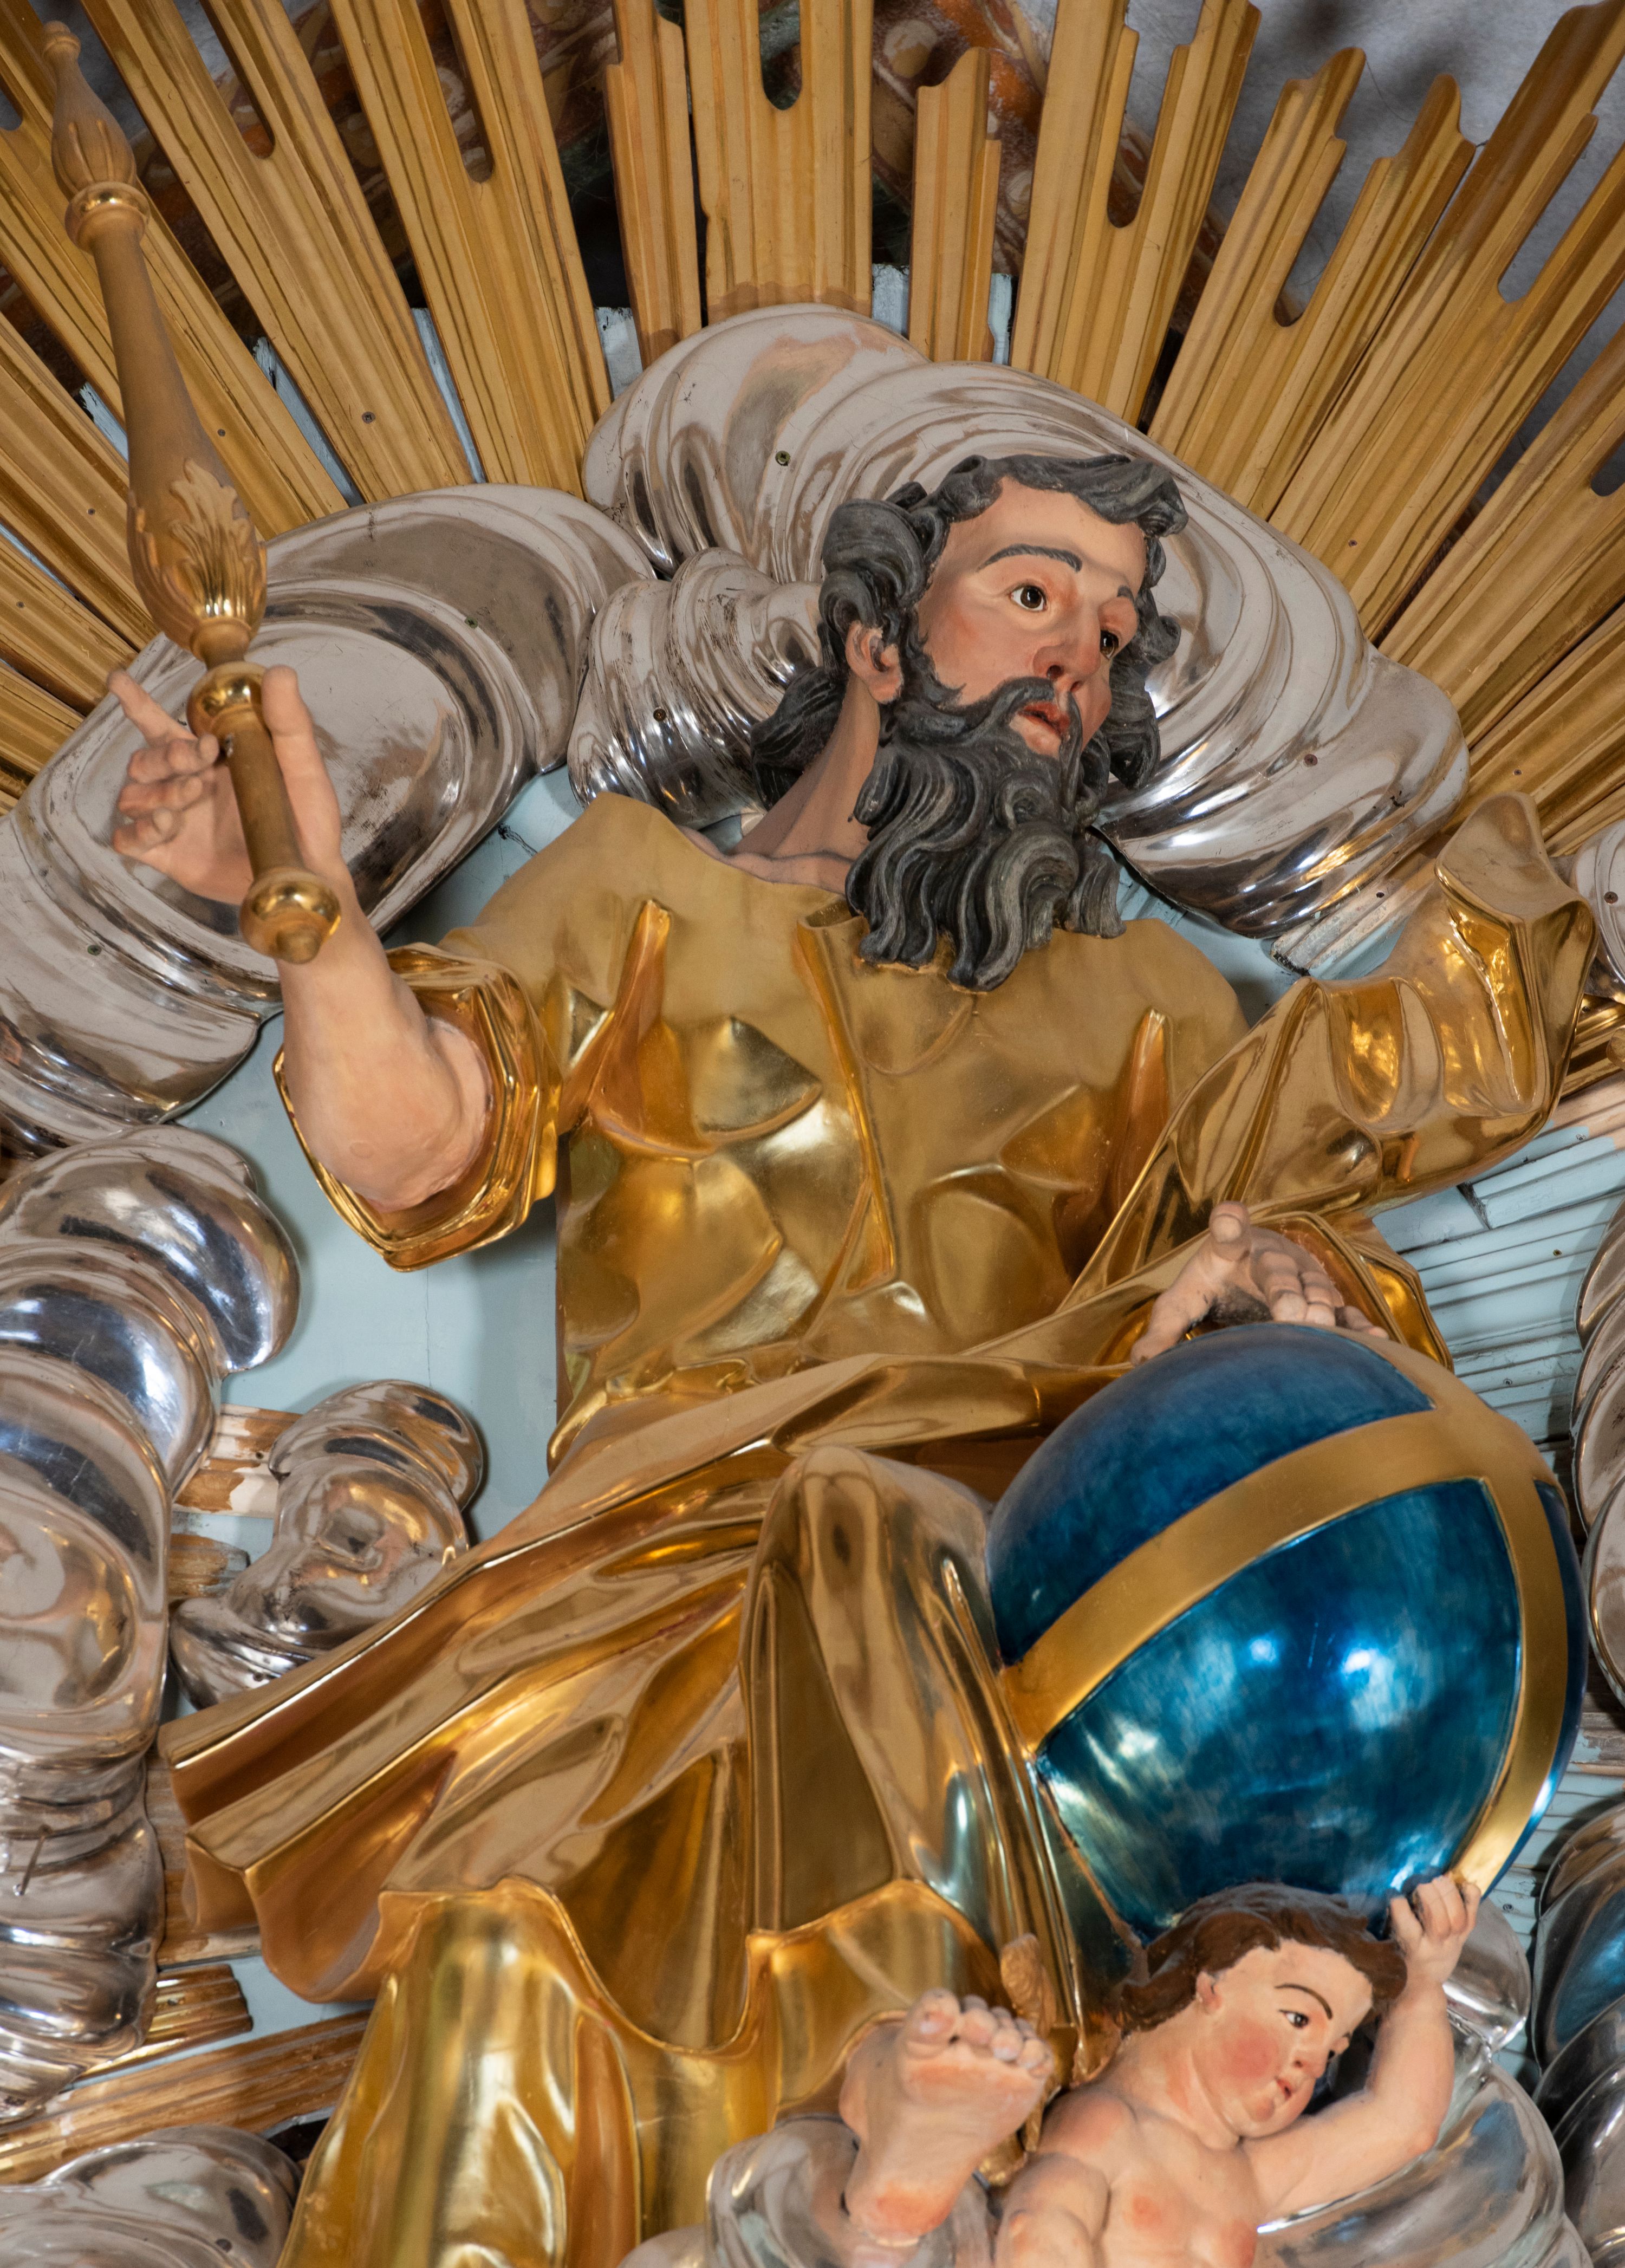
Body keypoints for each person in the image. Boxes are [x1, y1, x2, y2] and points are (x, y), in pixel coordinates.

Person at [125, 454, 1590, 2268]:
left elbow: (1255, 1276)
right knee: (497, 1956)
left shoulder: (1144, 1009)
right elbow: (418, 1142)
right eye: (1033, 593)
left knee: (874, 1585)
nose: (1078, 657)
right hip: (652, 1601)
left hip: (973, 1625)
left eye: (1114, 628)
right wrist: (306, 911)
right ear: (877, 636)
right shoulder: (641, 891)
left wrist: (1271, 1277)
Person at [833, 1876, 1473, 2268]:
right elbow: (1043, 2229)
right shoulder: (1108, 2121)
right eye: (1298, 2018)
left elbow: (1402, 2123)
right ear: (1210, 1986)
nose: (1312, 2061)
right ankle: (912, 2165)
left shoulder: (1249, 2175)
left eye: (1332, 2052)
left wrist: (1422, 1989)